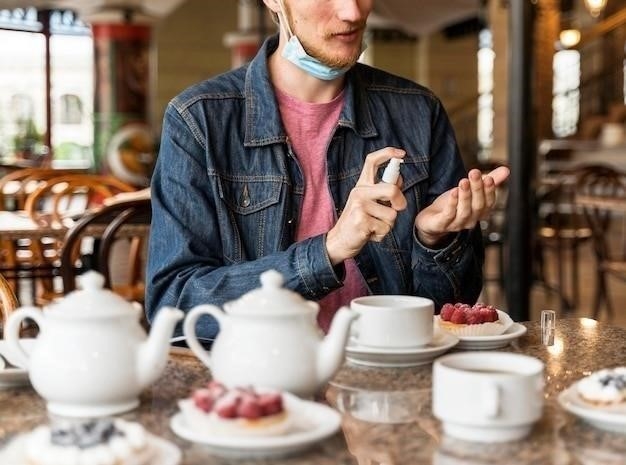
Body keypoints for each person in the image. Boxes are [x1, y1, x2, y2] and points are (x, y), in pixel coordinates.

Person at [146, 0, 510, 342]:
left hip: (388, 384)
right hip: (258, 387)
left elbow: (449, 311)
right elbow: (173, 305)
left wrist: (433, 240)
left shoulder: (418, 112)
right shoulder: (199, 120)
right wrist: (328, 250)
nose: (352, 12)